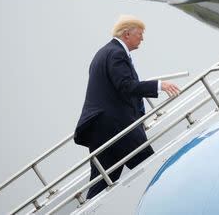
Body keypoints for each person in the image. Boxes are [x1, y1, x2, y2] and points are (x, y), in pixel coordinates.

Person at [74, 15, 180, 199]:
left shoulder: (103, 53)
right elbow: (126, 86)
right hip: (117, 128)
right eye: (140, 34)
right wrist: (159, 85)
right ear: (127, 34)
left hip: (100, 130)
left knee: (102, 184)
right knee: (152, 169)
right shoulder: (117, 54)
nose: (142, 38)